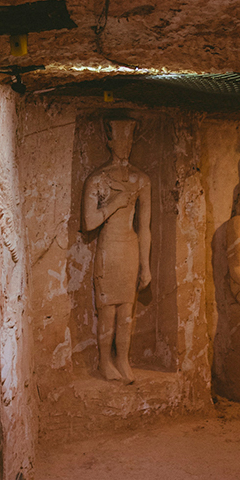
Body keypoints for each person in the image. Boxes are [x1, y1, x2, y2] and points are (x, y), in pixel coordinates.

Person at [82, 117, 151, 383]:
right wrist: (115, 203)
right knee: (108, 308)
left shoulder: (141, 179)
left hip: (129, 248)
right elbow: (88, 223)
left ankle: (122, 359)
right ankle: (103, 362)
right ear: (109, 142)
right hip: (109, 247)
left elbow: (145, 227)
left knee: (126, 310)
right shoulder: (98, 180)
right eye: (120, 140)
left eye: (129, 140)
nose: (125, 146)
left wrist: (145, 265)